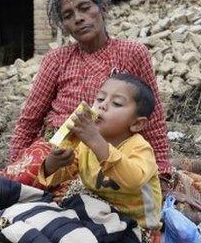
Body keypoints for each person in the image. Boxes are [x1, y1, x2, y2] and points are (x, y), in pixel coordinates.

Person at [3, 0, 171, 187]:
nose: (79, 19)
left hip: (109, 149)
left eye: (85, 8)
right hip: (60, 152)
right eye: (68, 16)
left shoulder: (132, 53)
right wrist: (17, 165)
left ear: (102, 8)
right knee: (14, 187)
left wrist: (162, 172)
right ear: (64, 26)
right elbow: (30, 119)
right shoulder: (57, 60)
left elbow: (152, 118)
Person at [39, 73, 162, 231]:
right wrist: (52, 164)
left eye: (117, 103)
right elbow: (61, 175)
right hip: (99, 216)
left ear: (137, 124)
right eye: (100, 99)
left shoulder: (140, 148)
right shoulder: (84, 145)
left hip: (137, 227)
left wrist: (96, 141)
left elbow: (133, 180)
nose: (102, 106)